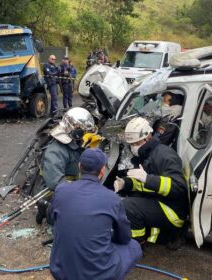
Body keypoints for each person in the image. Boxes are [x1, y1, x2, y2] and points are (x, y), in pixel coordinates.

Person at [49, 148, 142, 280]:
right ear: (102, 170)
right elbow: (124, 237)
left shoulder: (61, 190)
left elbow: (52, 219)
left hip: (61, 271)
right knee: (134, 246)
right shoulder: (112, 198)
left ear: (79, 166)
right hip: (99, 275)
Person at [114, 117, 188, 248]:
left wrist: (148, 179)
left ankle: (136, 245)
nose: (133, 147)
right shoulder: (147, 154)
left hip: (172, 211)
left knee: (129, 206)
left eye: (136, 143)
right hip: (161, 201)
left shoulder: (164, 154)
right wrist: (125, 183)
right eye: (131, 144)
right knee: (128, 199)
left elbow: (179, 187)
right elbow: (143, 185)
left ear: (147, 137)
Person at [36, 107, 96, 224]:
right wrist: (83, 193)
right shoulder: (55, 152)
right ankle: (47, 210)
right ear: (76, 132)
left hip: (75, 186)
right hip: (55, 192)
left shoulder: (77, 145)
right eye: (84, 131)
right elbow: (56, 183)